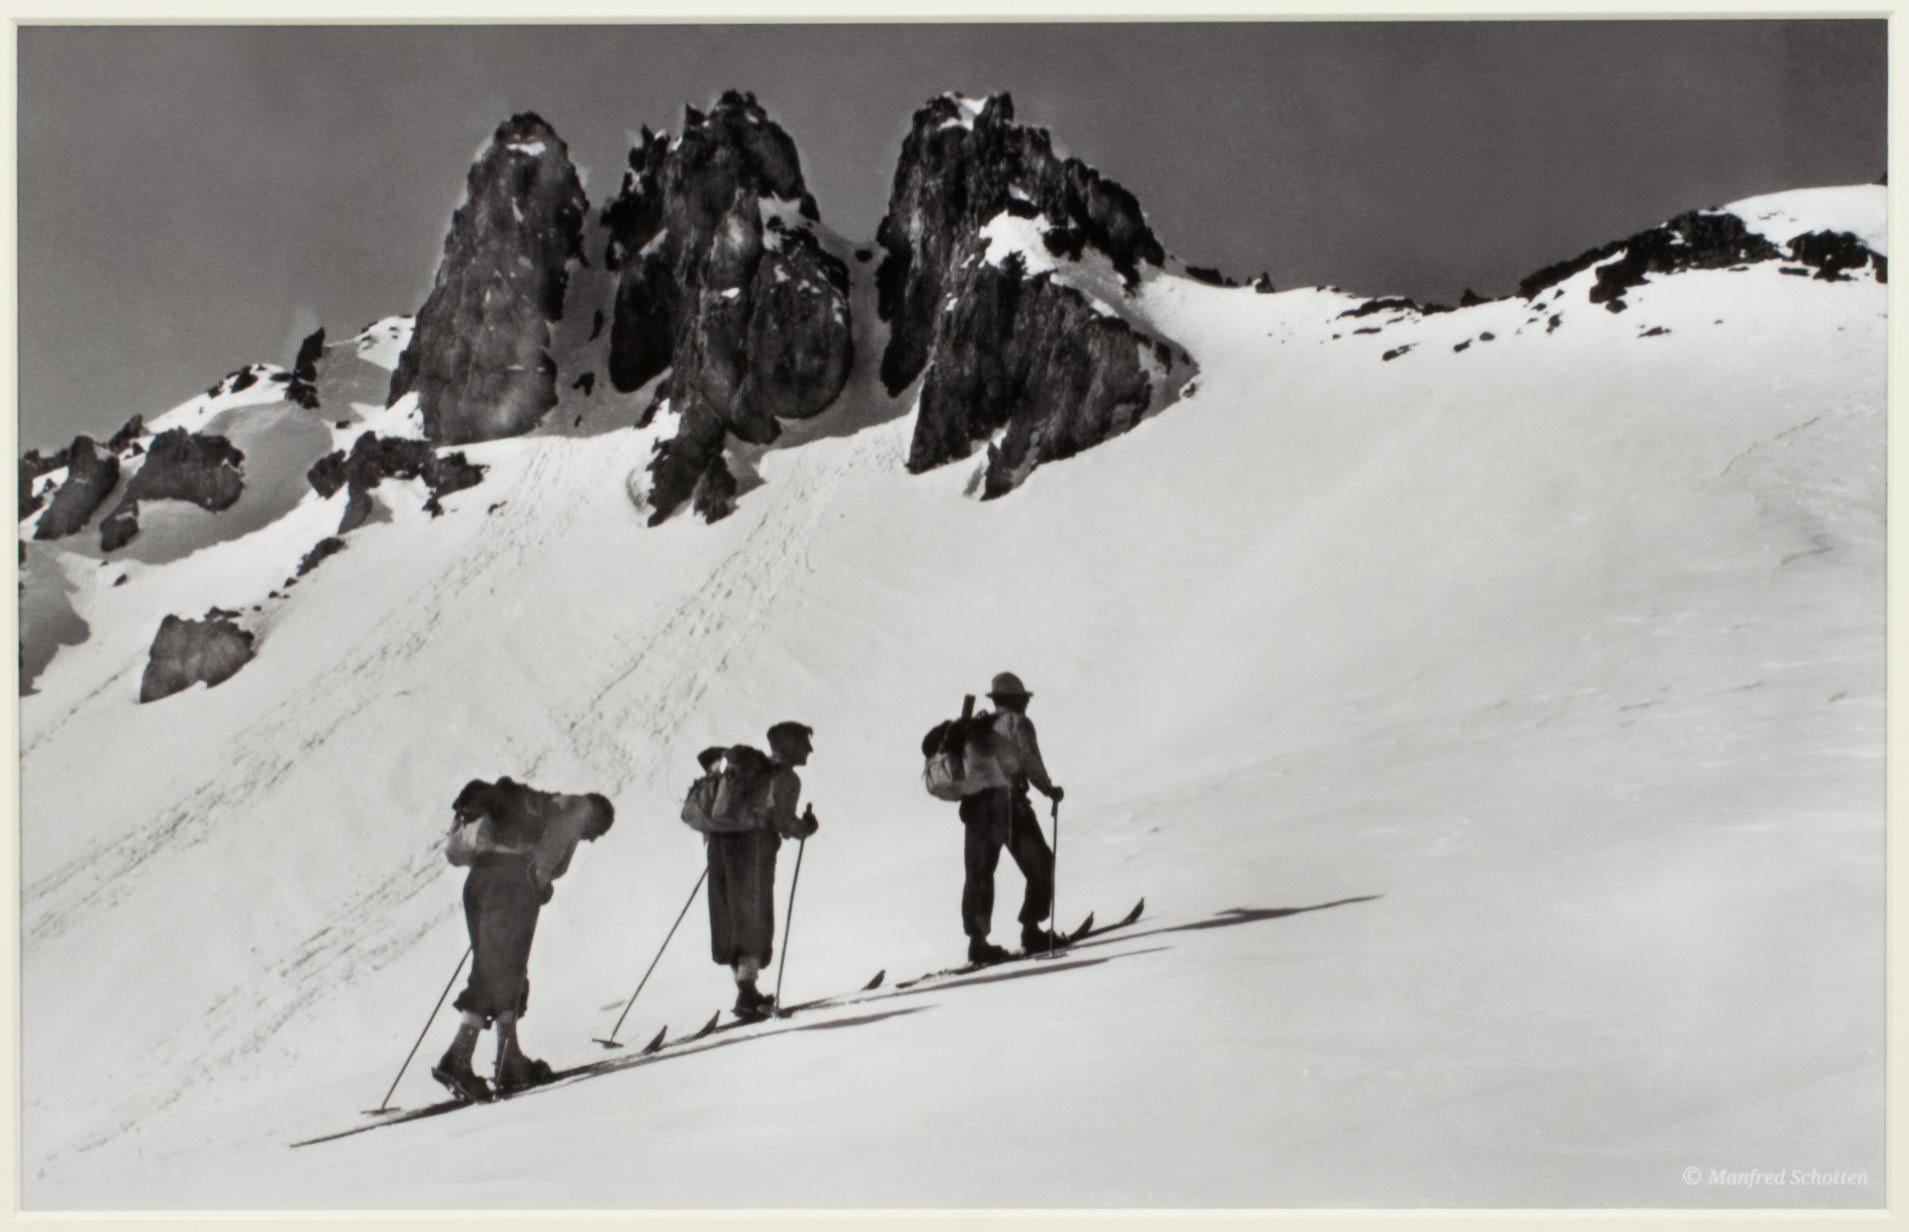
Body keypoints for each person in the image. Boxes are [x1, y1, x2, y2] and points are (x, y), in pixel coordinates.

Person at [432, 777, 615, 1102]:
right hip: (510, 883)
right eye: (599, 830)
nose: (593, 838)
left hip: (480, 880)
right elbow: (549, 851)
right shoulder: (579, 805)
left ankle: (509, 1058)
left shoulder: (540, 806)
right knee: (498, 971)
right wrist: (539, 880)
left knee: (505, 970)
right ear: (597, 813)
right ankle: (457, 1059)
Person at [705, 722, 819, 1018]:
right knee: (754, 920)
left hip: (721, 848)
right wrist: (806, 827)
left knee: (733, 919)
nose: (809, 749)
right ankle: (747, 994)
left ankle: (747, 990)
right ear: (788, 745)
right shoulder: (786, 779)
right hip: (754, 853)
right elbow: (783, 822)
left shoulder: (743, 771)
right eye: (803, 742)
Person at [959, 672, 1067, 964]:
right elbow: (1030, 761)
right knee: (1040, 863)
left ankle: (978, 942)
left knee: (979, 876)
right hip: (1009, 808)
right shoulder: (1017, 723)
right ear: (1018, 700)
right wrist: (1049, 789)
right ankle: (1031, 930)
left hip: (977, 811)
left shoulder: (978, 726)